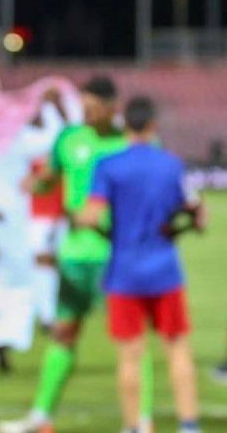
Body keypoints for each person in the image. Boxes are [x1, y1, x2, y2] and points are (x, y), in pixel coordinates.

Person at [0, 76, 139, 433]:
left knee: (129, 340)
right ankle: (41, 416)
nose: (87, 114)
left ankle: (139, 422)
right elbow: (52, 174)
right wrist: (39, 182)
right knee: (63, 333)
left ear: (112, 108)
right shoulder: (70, 137)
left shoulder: (128, 142)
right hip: (75, 254)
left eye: (93, 108)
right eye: (84, 107)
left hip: (117, 255)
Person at [76, 97, 202, 433]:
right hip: (165, 270)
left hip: (124, 272)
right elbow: (196, 213)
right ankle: (189, 424)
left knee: (130, 355)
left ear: (125, 124)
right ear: (153, 125)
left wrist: (103, 230)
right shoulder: (171, 164)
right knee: (178, 348)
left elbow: (90, 216)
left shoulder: (108, 165)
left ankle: (133, 425)